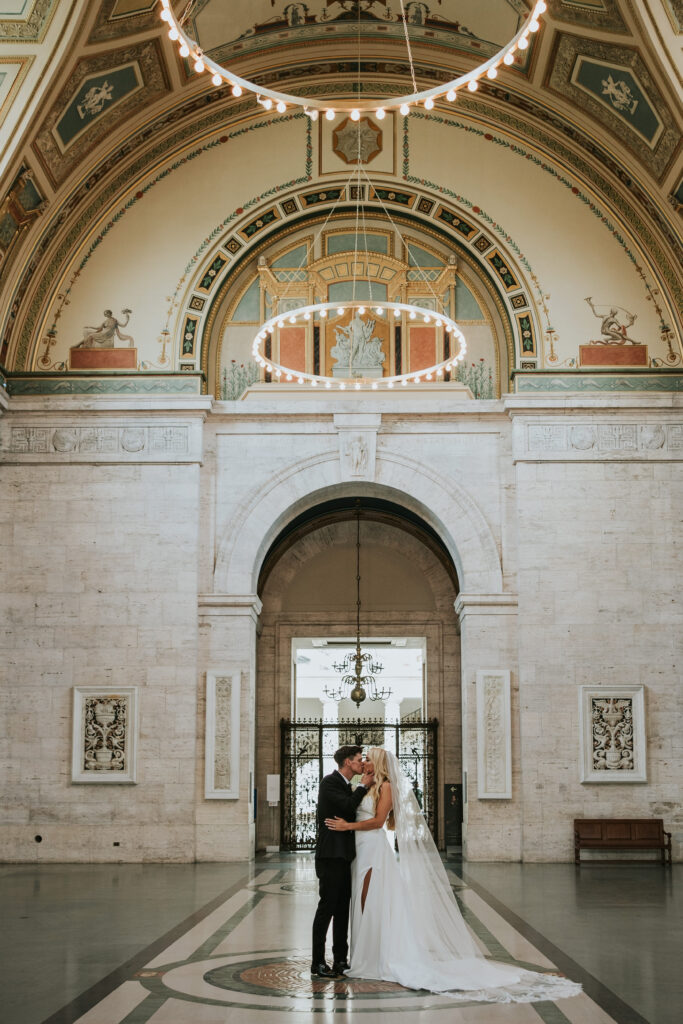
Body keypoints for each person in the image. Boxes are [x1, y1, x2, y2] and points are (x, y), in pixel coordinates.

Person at [325, 747, 582, 1003]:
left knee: (370, 901)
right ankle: (364, 956)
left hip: (373, 850)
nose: (364, 762)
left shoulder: (388, 787)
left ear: (378, 763)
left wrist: (349, 825)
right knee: (361, 902)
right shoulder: (365, 786)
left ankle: (375, 958)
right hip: (358, 850)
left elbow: (379, 821)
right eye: (362, 759)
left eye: (368, 759)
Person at [311, 744, 374, 979]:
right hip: (330, 856)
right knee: (326, 908)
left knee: (342, 910)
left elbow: (351, 814)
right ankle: (317, 962)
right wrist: (364, 786)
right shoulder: (330, 783)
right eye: (359, 759)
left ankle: (340, 960)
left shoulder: (347, 786)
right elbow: (348, 808)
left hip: (345, 855)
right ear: (348, 762)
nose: (361, 763)